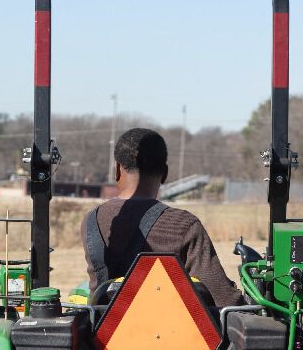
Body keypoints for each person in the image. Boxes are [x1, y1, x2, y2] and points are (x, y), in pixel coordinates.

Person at [81, 128, 243, 306]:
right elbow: (222, 298)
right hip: (166, 332)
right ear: (165, 173)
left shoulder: (91, 220)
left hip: (102, 330)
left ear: (117, 170)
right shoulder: (183, 224)